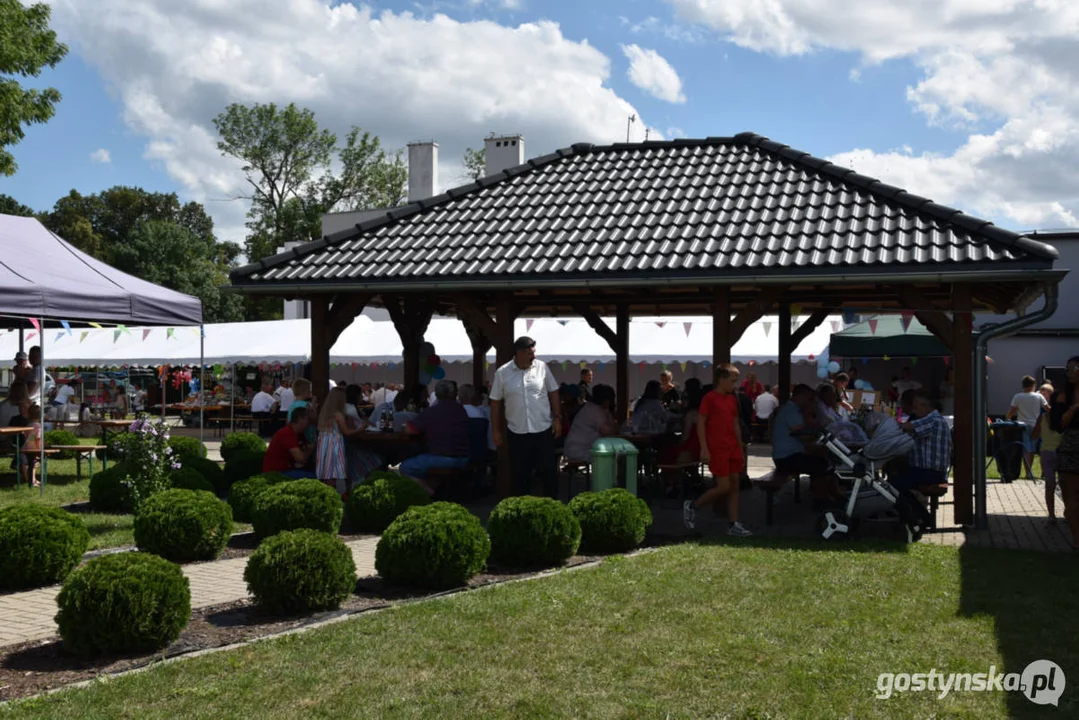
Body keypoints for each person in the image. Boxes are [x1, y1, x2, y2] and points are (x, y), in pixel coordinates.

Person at [682, 364, 751, 536]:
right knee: (723, 486)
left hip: (732, 447)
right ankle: (693, 505)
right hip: (717, 448)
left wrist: (740, 445)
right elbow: (701, 424)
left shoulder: (732, 399)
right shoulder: (709, 398)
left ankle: (733, 524)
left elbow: (735, 424)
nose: (735, 385)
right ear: (722, 379)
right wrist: (704, 449)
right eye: (733, 381)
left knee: (735, 485)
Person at [489, 336, 560, 497]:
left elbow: (554, 392)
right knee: (520, 475)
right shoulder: (502, 373)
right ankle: (523, 514)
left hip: (543, 429)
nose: (533, 356)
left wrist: (557, 417)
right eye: (529, 353)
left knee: (548, 472)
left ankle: (554, 510)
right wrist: (495, 430)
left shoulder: (542, 367)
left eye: (534, 352)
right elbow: (495, 403)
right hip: (517, 431)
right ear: (518, 353)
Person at [772, 384, 841, 509]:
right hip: (786, 457)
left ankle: (831, 494)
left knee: (826, 460)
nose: (811, 402)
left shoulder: (794, 410)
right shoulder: (790, 411)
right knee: (819, 464)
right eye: (809, 399)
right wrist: (809, 412)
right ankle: (820, 500)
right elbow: (802, 434)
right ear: (800, 396)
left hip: (792, 453)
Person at [402, 380, 472, 494]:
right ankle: (430, 491)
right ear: (454, 394)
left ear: (437, 394)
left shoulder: (432, 412)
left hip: (442, 458)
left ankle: (428, 492)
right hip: (463, 458)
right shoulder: (461, 410)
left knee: (405, 467)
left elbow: (409, 430)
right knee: (432, 469)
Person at [317, 387, 378, 495]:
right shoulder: (339, 415)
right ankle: (334, 495)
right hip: (335, 444)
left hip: (325, 444)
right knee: (333, 472)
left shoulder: (325, 413)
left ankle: (328, 494)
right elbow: (347, 432)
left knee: (327, 474)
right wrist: (361, 428)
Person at [1049, 356, 1079, 550]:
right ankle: (1077, 539)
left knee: (1073, 495)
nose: (1069, 371)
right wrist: (1073, 409)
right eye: (1067, 368)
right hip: (1071, 446)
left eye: (1073, 367)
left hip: (1071, 446)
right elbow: (1057, 426)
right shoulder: (1062, 396)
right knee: (1070, 494)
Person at [896, 391, 953, 493]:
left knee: (894, 483)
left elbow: (907, 426)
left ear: (925, 406)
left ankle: (912, 508)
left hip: (931, 474)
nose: (913, 411)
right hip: (930, 472)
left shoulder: (933, 420)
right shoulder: (933, 419)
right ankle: (911, 505)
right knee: (898, 475)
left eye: (915, 407)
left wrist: (889, 424)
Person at [563, 384, 617, 462]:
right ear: (606, 400)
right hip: (580, 451)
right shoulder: (594, 410)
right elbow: (607, 432)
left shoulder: (591, 407)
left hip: (577, 449)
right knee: (613, 455)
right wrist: (615, 426)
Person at [1007, 375, 1049, 470]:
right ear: (1034, 385)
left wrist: (1008, 419)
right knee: (1033, 448)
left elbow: (1011, 412)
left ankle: (1027, 470)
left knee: (1026, 448)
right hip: (1036, 425)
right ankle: (1029, 471)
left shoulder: (1017, 396)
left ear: (1023, 385)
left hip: (1022, 425)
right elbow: (1047, 409)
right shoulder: (1039, 396)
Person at [262, 406, 316, 478]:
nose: (309, 423)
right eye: (308, 420)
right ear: (300, 419)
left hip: (286, 469)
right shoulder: (287, 433)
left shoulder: (298, 434)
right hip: (277, 473)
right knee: (312, 477)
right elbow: (300, 458)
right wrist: (310, 449)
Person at [1038, 387, 1065, 522]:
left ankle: (1051, 515)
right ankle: (1067, 510)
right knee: (1065, 484)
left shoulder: (1042, 417)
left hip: (1046, 452)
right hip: (1062, 452)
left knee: (1050, 485)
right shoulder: (1066, 417)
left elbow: (1034, 435)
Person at [287, 378, 317, 445]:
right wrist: (314, 405)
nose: (310, 392)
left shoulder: (292, 405)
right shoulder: (307, 405)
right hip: (307, 436)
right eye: (309, 390)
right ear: (304, 391)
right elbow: (313, 418)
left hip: (295, 435)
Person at [21, 404, 43, 487]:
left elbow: (26, 436)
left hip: (26, 446)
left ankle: (28, 478)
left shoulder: (28, 425)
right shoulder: (38, 426)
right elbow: (37, 438)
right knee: (34, 464)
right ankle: (32, 480)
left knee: (28, 464)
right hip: (33, 447)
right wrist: (38, 448)